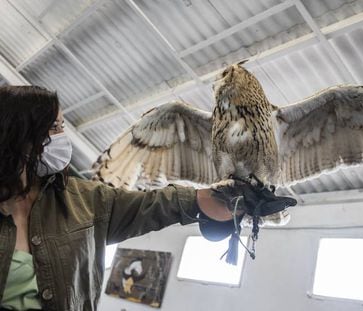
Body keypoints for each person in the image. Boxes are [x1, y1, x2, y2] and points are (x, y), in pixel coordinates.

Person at [0, 86, 295, 311]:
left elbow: (151, 206)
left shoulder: (83, 200)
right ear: (19, 135)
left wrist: (222, 197)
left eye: (64, 127)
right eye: (55, 128)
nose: (63, 137)